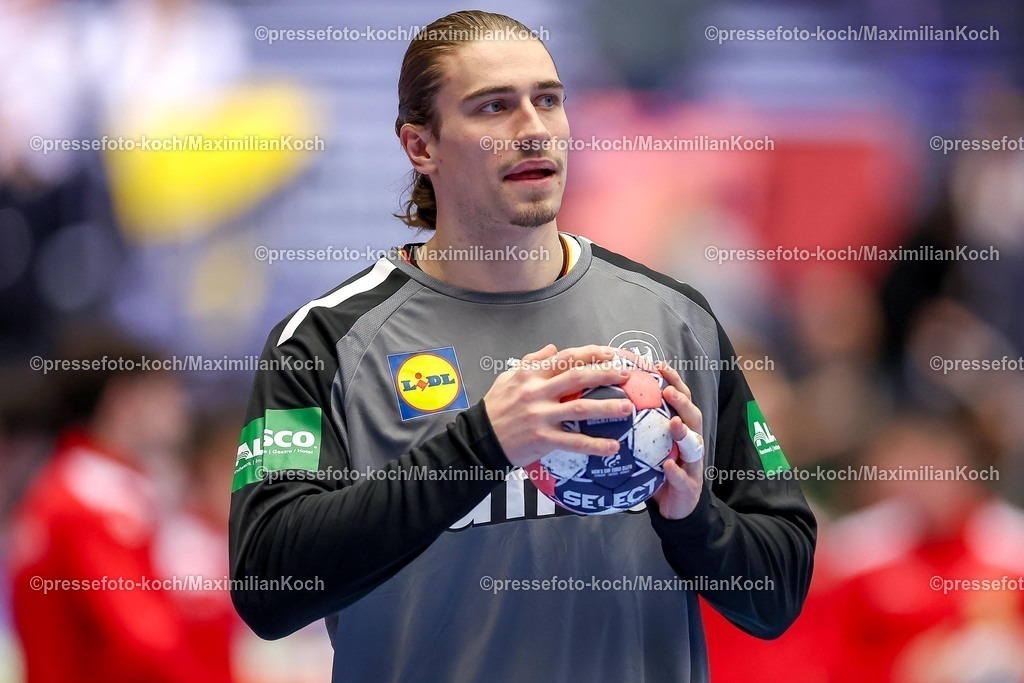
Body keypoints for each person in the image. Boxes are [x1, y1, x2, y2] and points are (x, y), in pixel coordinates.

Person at [229, 10, 816, 682]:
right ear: (422, 147)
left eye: (548, 100)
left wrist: (694, 521)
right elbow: (269, 587)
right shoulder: (324, 342)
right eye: (494, 107)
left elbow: (779, 589)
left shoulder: (676, 318)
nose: (534, 128)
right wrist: (483, 443)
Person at [9, 338, 214, 681]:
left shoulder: (97, 486)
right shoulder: (89, 497)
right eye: (164, 392)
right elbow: (144, 641)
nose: (180, 405)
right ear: (124, 400)